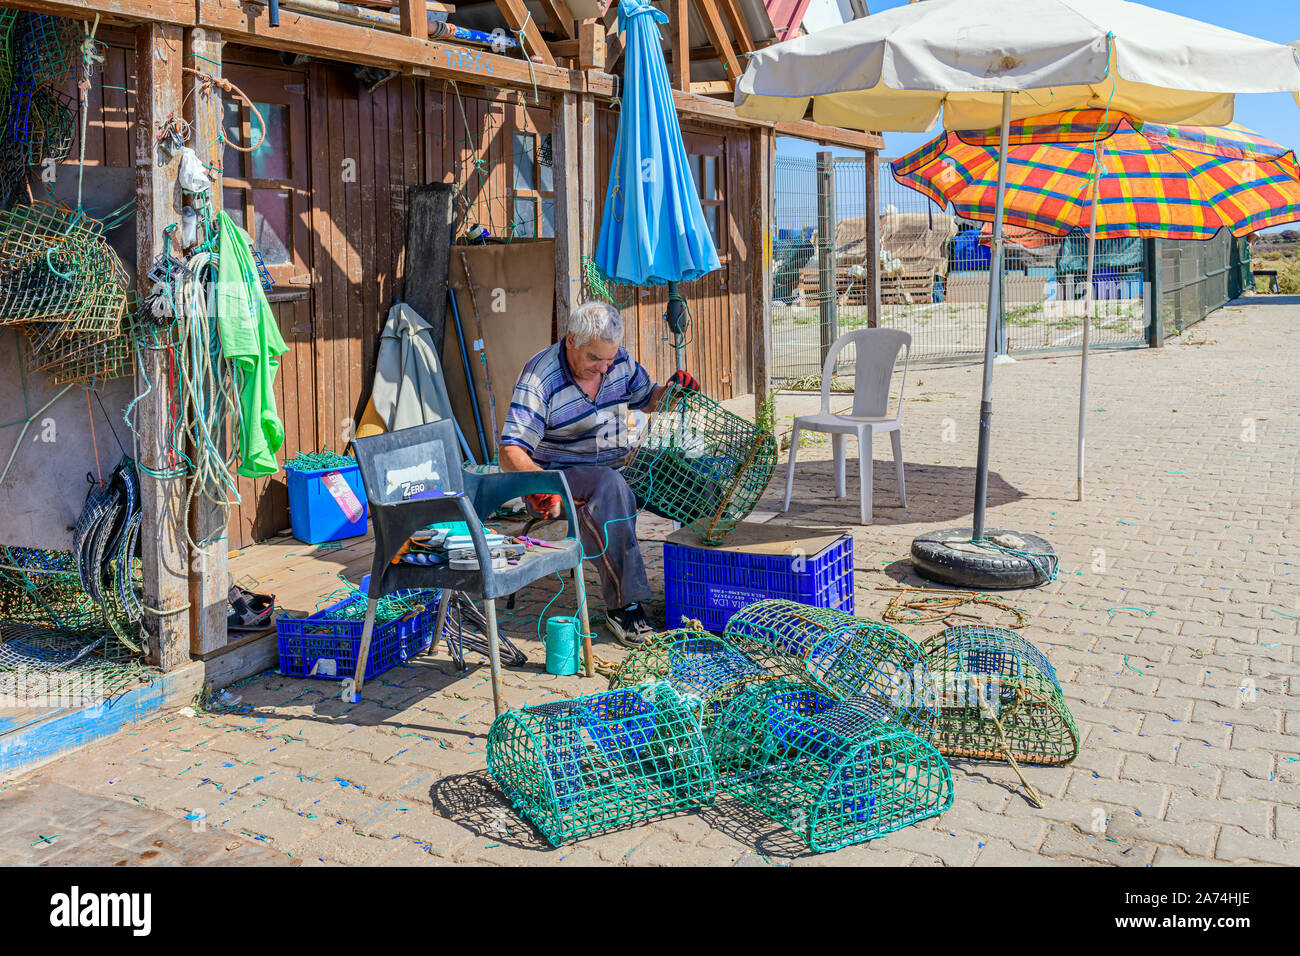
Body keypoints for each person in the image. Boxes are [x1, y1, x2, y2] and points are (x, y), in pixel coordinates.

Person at [499, 300, 699, 647]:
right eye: (595, 359)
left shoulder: (617, 361)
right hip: (558, 478)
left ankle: (704, 590)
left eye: (610, 359)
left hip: (620, 462)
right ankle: (625, 606)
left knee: (692, 478)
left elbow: (648, 398)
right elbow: (510, 451)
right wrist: (541, 483)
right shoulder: (540, 376)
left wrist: (672, 393)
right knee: (610, 486)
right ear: (571, 341)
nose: (605, 368)